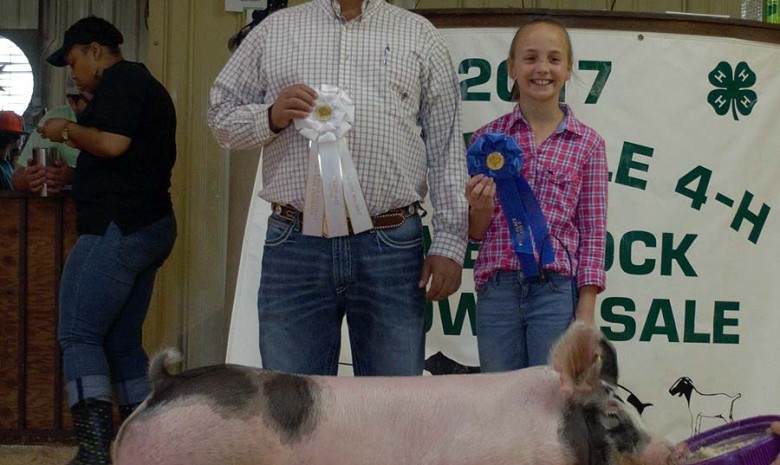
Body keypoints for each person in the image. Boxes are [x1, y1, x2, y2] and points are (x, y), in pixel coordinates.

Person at [208, 0, 468, 376]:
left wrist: (449, 243)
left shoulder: (420, 35)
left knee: (391, 407)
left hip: (391, 242)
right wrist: (270, 117)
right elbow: (220, 116)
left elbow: (446, 147)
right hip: (295, 243)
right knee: (292, 405)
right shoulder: (275, 30)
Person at [38, 16, 177, 465]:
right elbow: (129, 162)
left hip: (116, 228)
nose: (73, 74)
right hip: (150, 224)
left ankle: (95, 450)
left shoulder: (120, 81)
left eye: (75, 62)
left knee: (78, 335)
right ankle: (146, 446)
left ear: (96, 50)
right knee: (121, 342)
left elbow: (113, 145)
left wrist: (64, 131)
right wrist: (76, 176)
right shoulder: (145, 85)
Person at [465, 17, 608, 372]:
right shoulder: (486, 140)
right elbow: (476, 232)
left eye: (554, 59)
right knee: (497, 401)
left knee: (553, 401)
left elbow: (592, 233)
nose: (542, 68)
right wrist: (479, 208)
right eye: (530, 58)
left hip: (557, 292)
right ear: (511, 68)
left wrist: (586, 313)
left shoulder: (588, 144)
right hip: (497, 290)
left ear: (568, 69)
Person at [11, 78, 88, 194]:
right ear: (70, 100)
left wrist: (72, 175)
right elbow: (17, 179)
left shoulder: (114, 122)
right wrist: (30, 178)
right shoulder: (54, 119)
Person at [0, 110, 26, 191]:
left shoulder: (7, 163)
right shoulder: (2, 170)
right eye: (22, 135)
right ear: (14, 138)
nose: (23, 139)